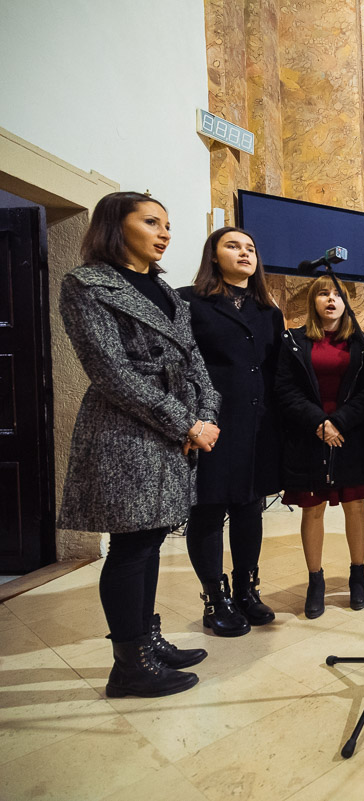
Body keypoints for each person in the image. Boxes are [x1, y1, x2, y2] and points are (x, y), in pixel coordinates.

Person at [58, 191, 216, 697]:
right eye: (152, 222)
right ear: (115, 226)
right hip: (127, 429)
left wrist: (208, 413)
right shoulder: (86, 284)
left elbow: (195, 361)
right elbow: (111, 374)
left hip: (175, 428)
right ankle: (129, 666)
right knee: (131, 545)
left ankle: (146, 641)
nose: (165, 233)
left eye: (167, 224)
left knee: (151, 541)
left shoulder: (163, 288)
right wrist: (185, 424)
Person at [180, 227, 283, 636]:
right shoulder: (188, 301)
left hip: (258, 424)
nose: (244, 253)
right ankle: (215, 597)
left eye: (251, 248)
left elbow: (274, 370)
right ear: (213, 254)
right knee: (207, 511)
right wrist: (191, 421)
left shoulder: (267, 310)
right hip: (213, 424)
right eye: (233, 246)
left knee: (249, 509)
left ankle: (246, 591)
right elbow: (182, 366)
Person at [275, 276, 364, 618]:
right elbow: (285, 390)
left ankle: (358, 576)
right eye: (323, 293)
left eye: (337, 294)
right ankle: (315, 581)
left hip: (351, 435)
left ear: (347, 303)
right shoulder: (292, 340)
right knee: (313, 508)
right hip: (309, 436)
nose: (331, 300)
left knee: (354, 506)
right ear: (313, 302)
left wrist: (341, 422)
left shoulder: (361, 343)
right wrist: (320, 423)